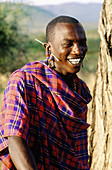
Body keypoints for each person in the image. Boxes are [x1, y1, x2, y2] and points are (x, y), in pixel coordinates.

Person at [0, 15, 92, 170]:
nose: (77, 51)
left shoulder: (80, 90)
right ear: (49, 49)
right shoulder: (24, 80)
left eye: (82, 43)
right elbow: (15, 138)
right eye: (68, 44)